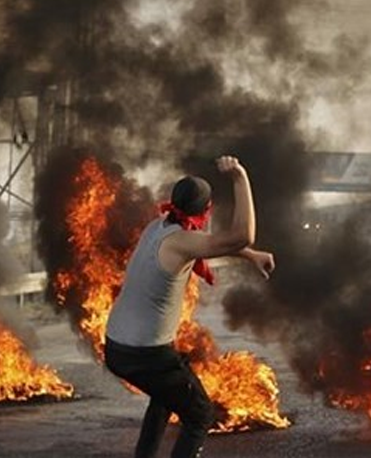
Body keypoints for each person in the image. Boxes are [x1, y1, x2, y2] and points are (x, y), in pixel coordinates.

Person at [104, 155, 274, 458]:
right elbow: (240, 236)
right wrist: (239, 177)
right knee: (199, 415)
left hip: (117, 347)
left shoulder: (158, 227)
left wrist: (251, 255)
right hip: (145, 354)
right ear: (206, 211)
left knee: (165, 396)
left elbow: (215, 243)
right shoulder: (181, 242)